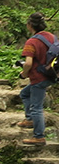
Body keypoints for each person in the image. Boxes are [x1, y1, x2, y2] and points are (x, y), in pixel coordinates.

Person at [19, 12, 56, 145]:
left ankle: (39, 136)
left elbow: (28, 63)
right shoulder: (52, 37)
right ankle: (29, 119)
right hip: (51, 74)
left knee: (37, 107)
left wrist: (24, 73)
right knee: (24, 93)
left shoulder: (32, 41)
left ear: (30, 25)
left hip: (38, 78)